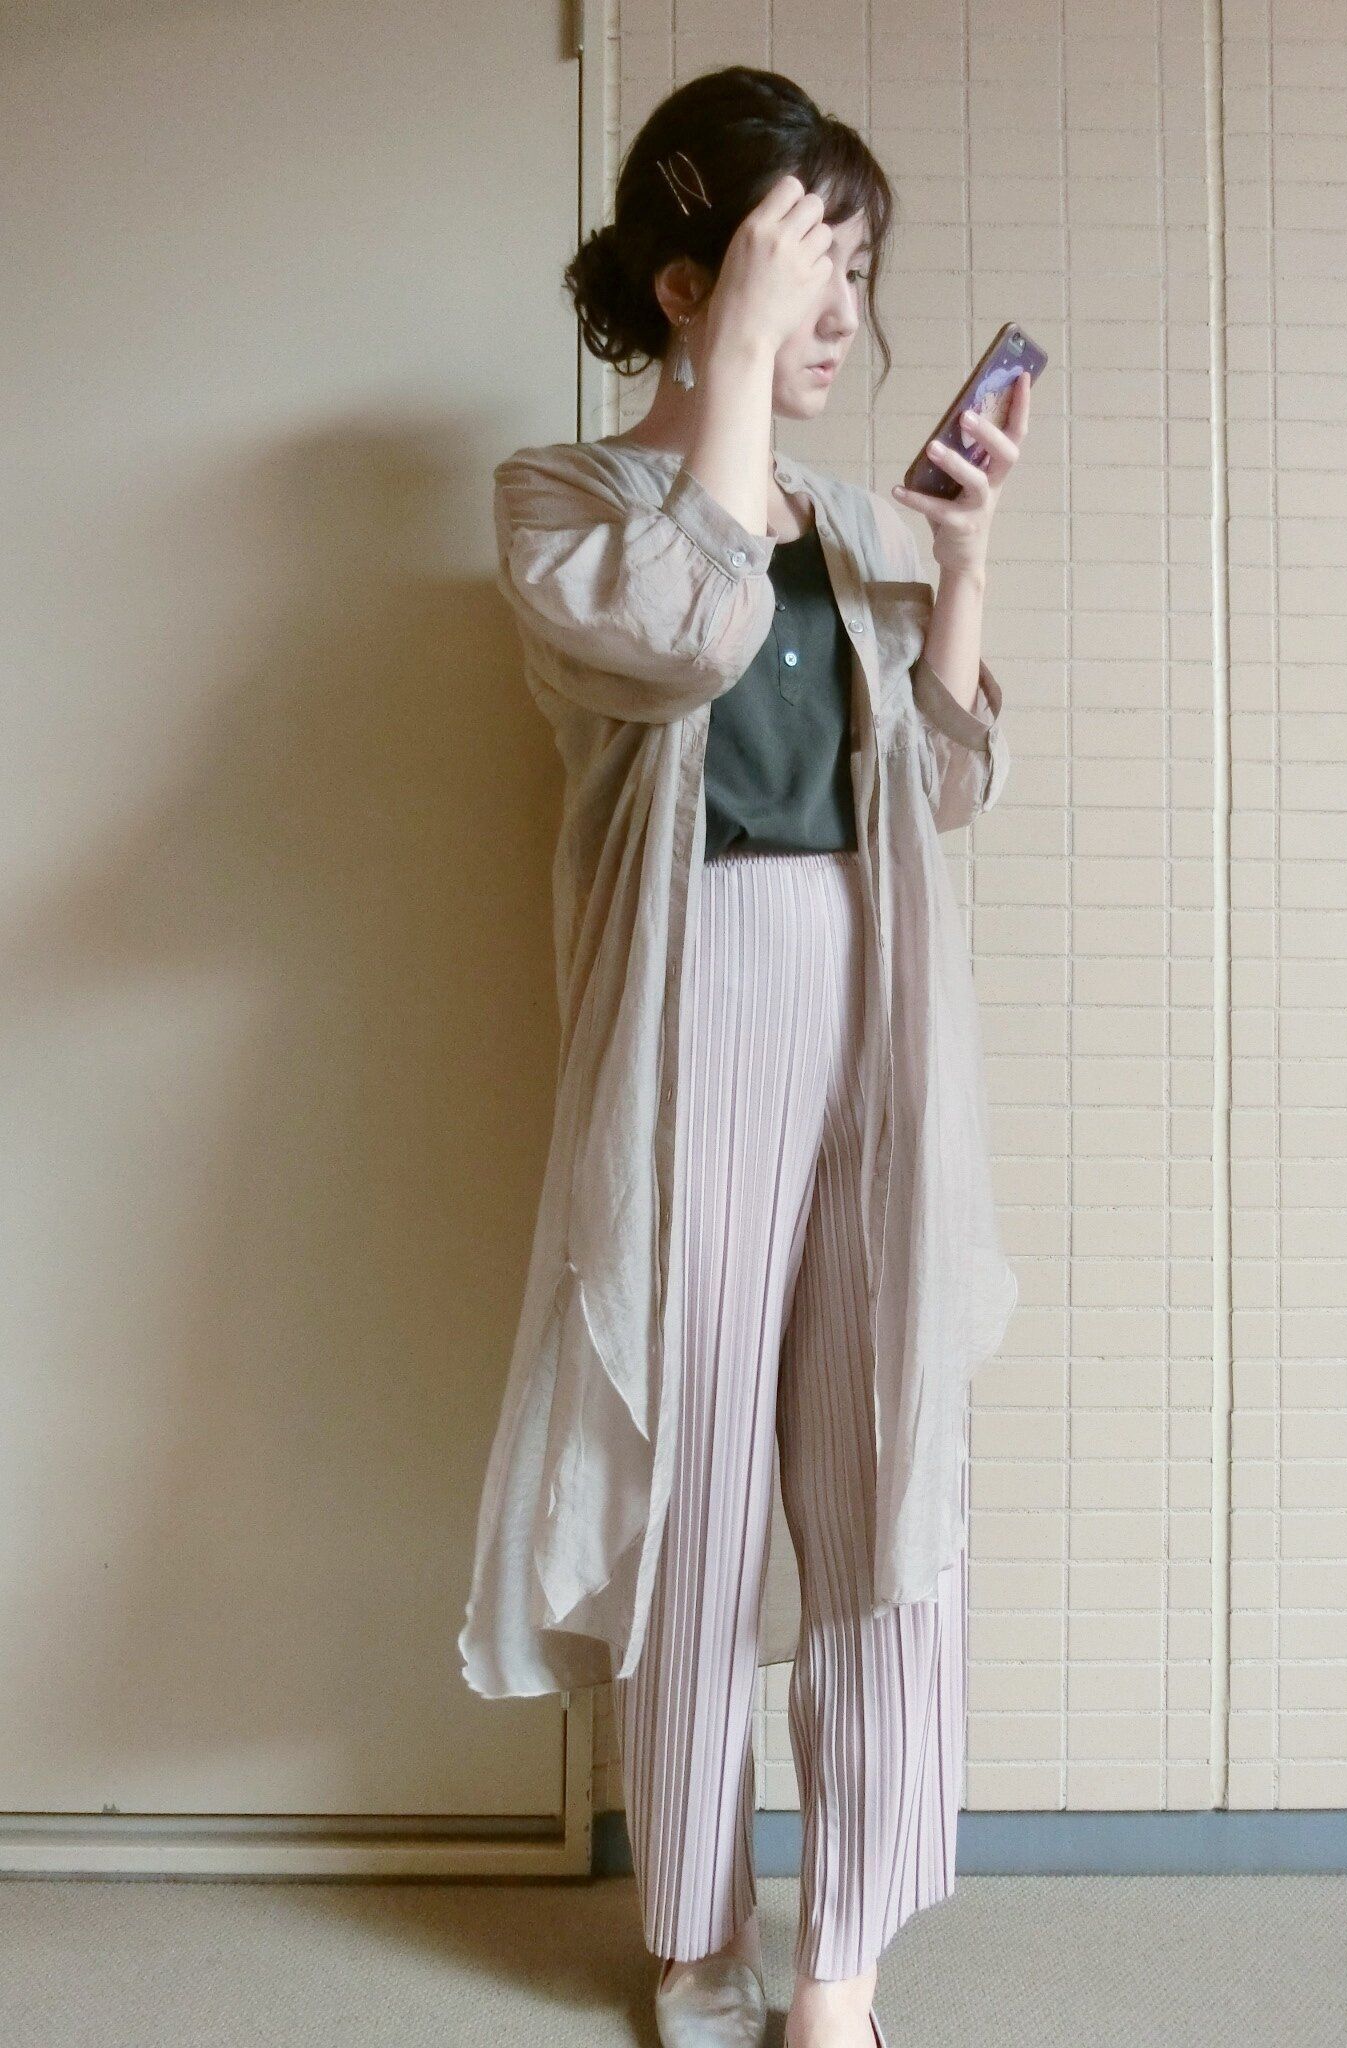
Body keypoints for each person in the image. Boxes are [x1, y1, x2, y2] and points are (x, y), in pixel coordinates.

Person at [457, 63, 1030, 2048]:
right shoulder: (565, 504)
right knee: (697, 1502)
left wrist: (958, 567)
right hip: (695, 1021)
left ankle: (842, 1964)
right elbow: (683, 635)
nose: (845, 312)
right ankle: (700, 1947)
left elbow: (941, 786)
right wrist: (732, 394)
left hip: (880, 1012)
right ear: (689, 285)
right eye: (807, 263)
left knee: (890, 1471)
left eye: (860, 270)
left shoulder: (853, 523)